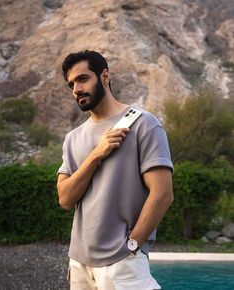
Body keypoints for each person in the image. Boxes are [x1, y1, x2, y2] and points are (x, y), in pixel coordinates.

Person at [57, 50, 174, 290]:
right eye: (71, 84)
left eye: (82, 78)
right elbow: (65, 198)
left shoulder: (144, 124)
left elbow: (162, 194)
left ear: (105, 76)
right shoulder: (72, 138)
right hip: (79, 262)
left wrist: (132, 246)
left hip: (122, 262)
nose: (76, 89)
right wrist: (96, 154)